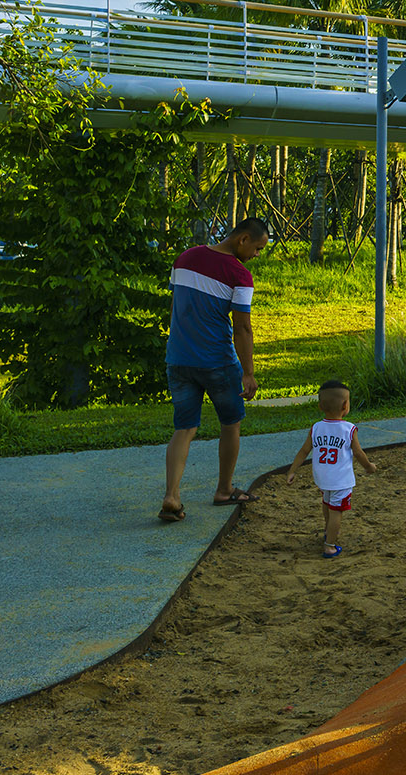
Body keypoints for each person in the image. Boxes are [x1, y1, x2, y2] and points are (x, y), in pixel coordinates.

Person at [159, 218, 270, 523]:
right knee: (230, 423)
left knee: (184, 428)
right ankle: (223, 489)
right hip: (217, 362)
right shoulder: (239, 275)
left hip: (178, 359)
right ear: (243, 239)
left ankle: (172, 495)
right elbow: (243, 328)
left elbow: (179, 305)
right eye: (258, 248)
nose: (256, 256)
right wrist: (248, 372)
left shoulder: (184, 257)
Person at [286, 379, 379, 558]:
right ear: (346, 405)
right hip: (340, 481)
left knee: (327, 505)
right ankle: (329, 545)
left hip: (322, 479)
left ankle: (328, 531)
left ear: (320, 406)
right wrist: (368, 466)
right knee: (337, 511)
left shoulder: (316, 428)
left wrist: (292, 471)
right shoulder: (349, 429)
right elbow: (358, 453)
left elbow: (304, 450)